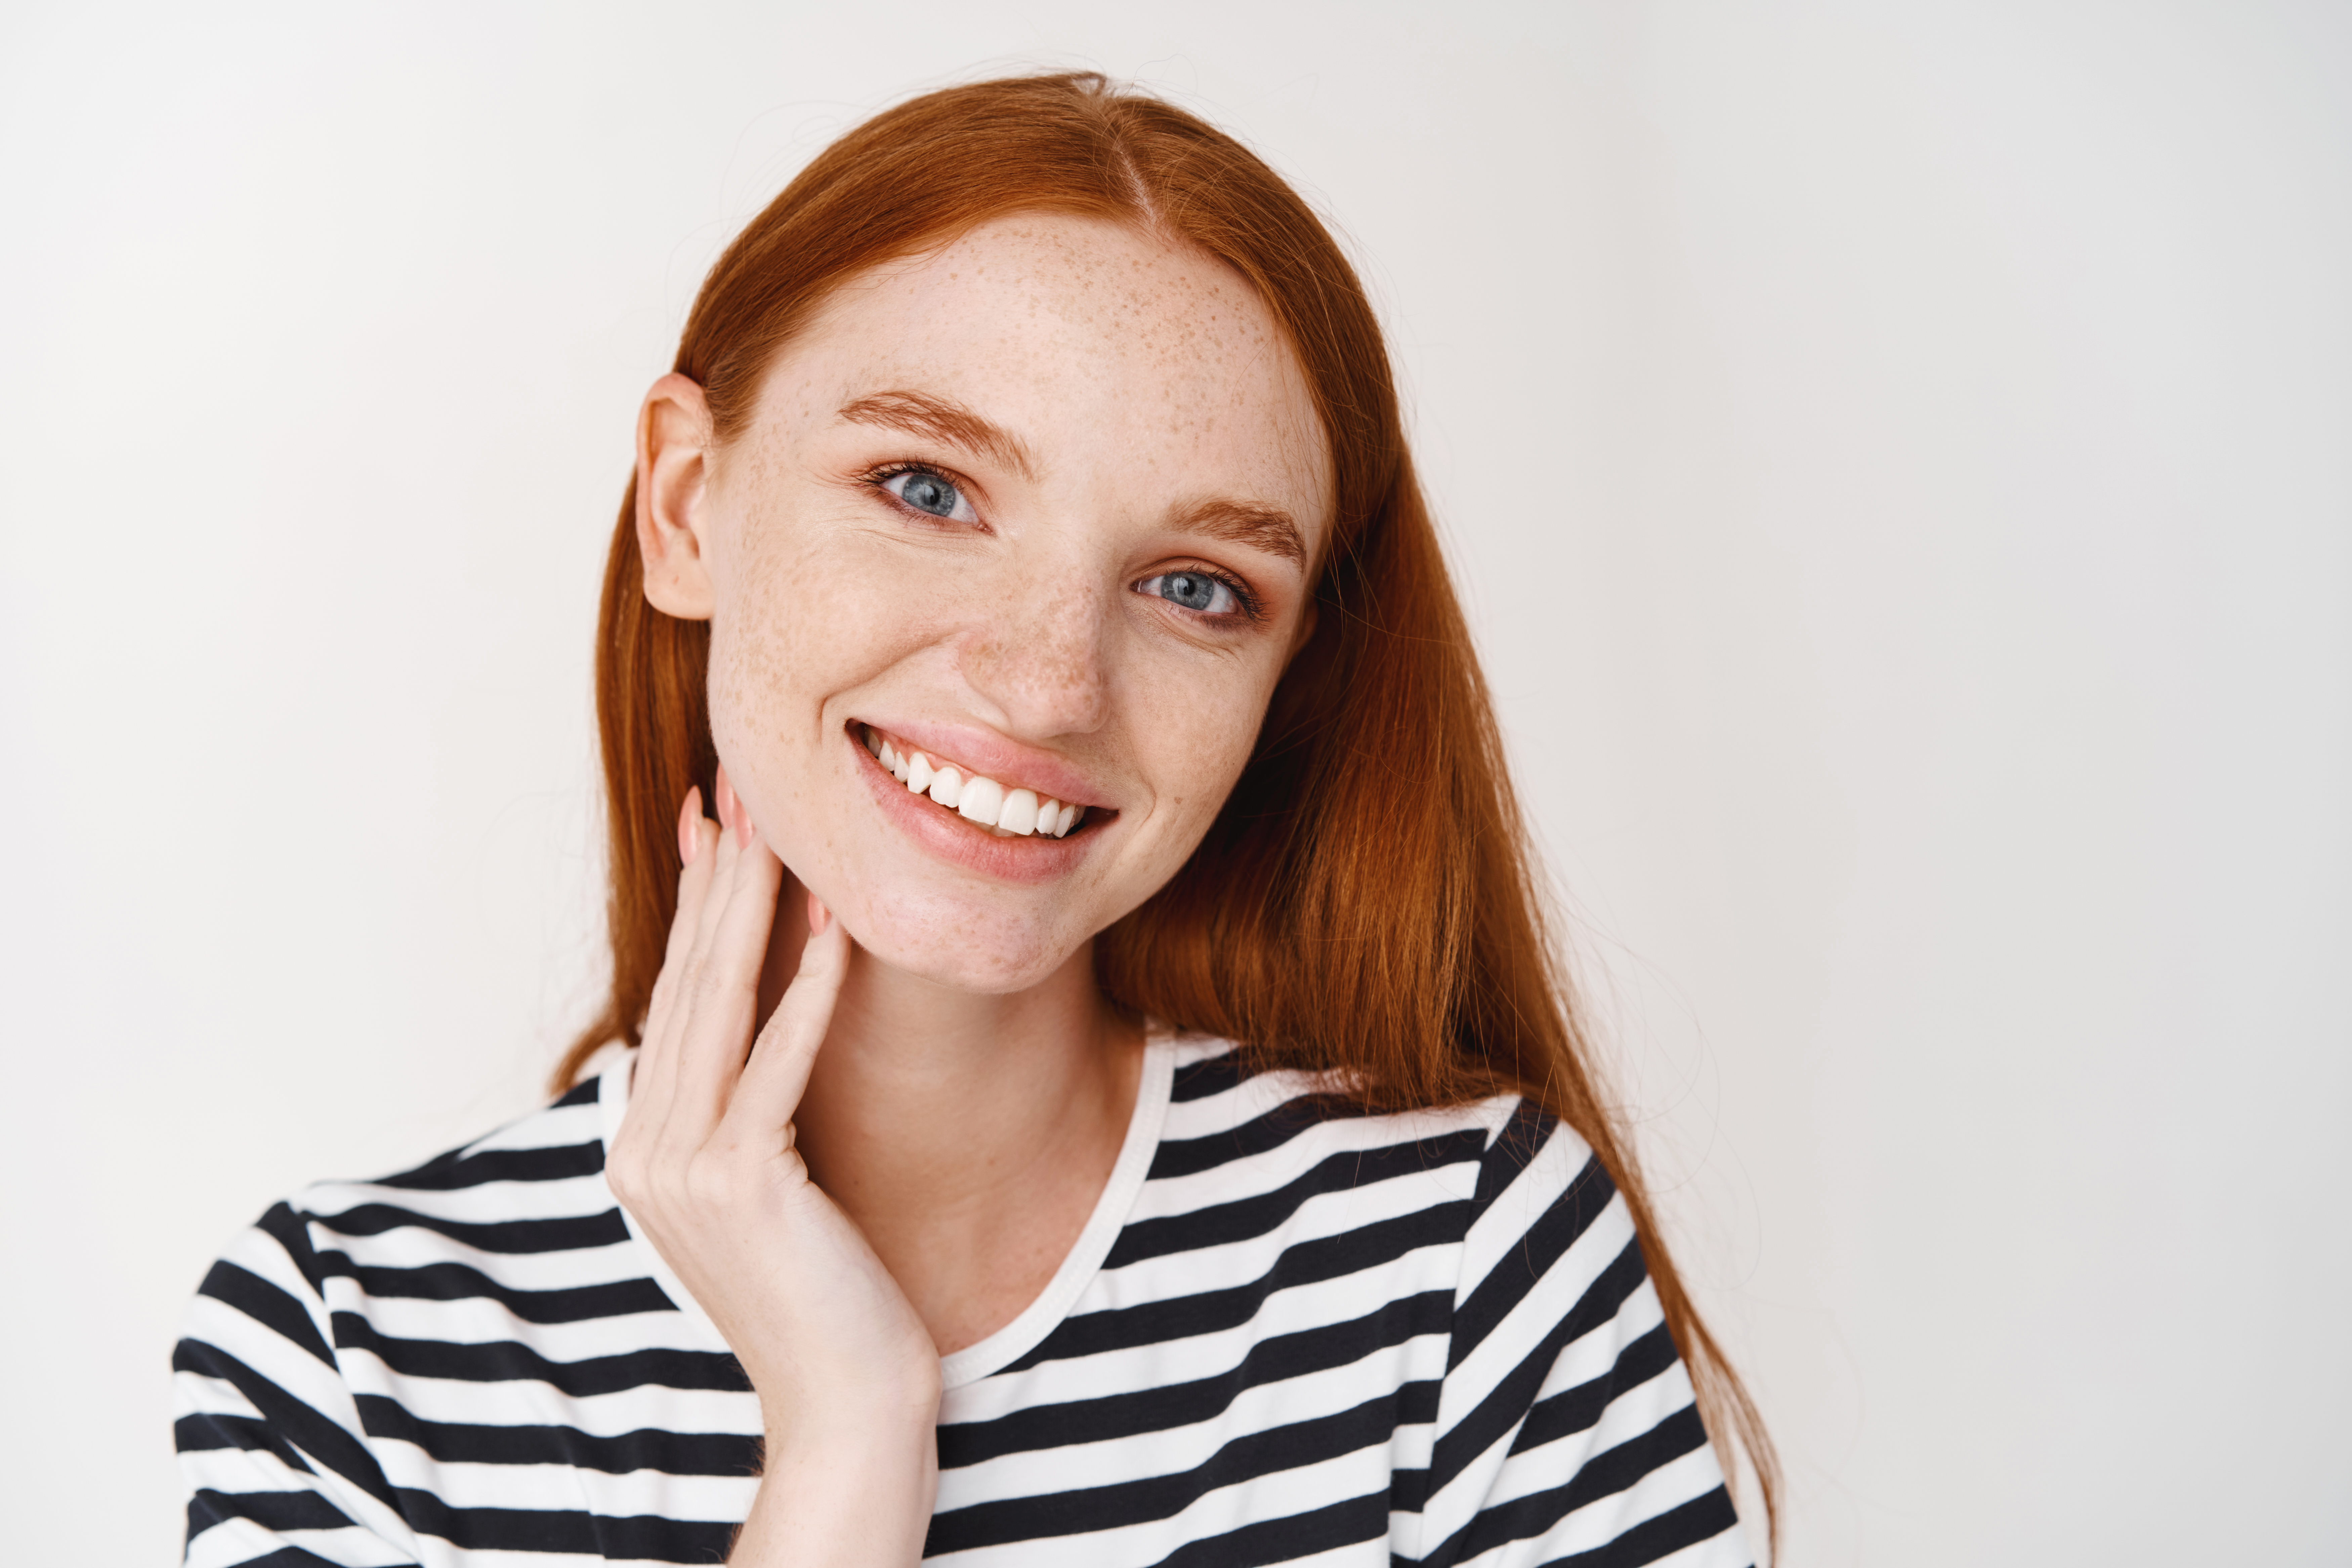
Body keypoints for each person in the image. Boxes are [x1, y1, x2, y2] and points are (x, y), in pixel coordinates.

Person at [173, 72, 1777, 1568]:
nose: (1047, 683)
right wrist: (841, 1441)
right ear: (684, 506)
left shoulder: (1458, 1270)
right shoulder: (351, 1355)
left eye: (1196, 587)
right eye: (927, 490)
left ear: (1286, 675)